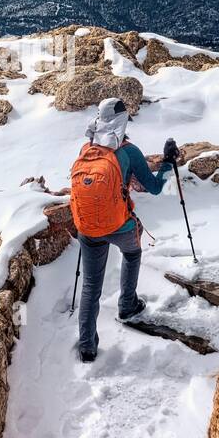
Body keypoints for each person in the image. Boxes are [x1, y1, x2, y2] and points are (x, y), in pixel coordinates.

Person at [69, 97, 175, 362]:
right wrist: (166, 164)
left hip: (87, 228)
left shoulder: (87, 149)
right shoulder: (128, 151)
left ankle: (87, 346)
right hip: (119, 225)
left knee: (91, 285)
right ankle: (127, 305)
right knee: (132, 253)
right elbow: (153, 187)